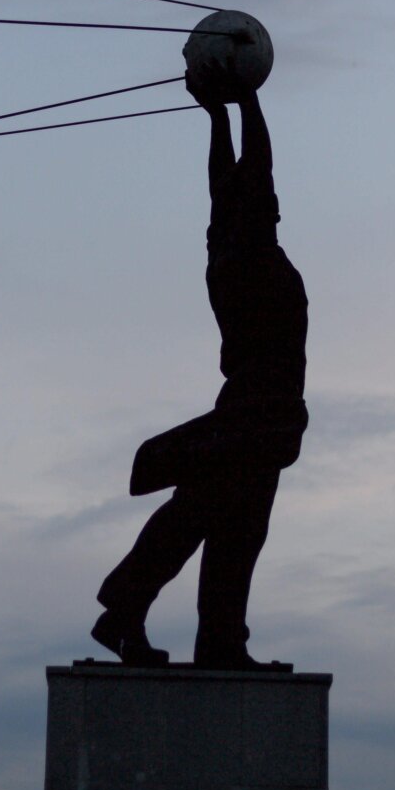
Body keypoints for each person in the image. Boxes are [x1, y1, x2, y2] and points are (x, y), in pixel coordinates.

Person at [91, 69, 309, 670]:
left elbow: (228, 182)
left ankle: (189, 630)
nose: (270, 198)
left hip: (260, 411)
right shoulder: (251, 259)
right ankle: (140, 612)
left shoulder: (229, 253)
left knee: (223, 521)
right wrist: (248, 104)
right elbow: (252, 173)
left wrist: (219, 116)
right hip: (257, 411)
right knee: (212, 517)